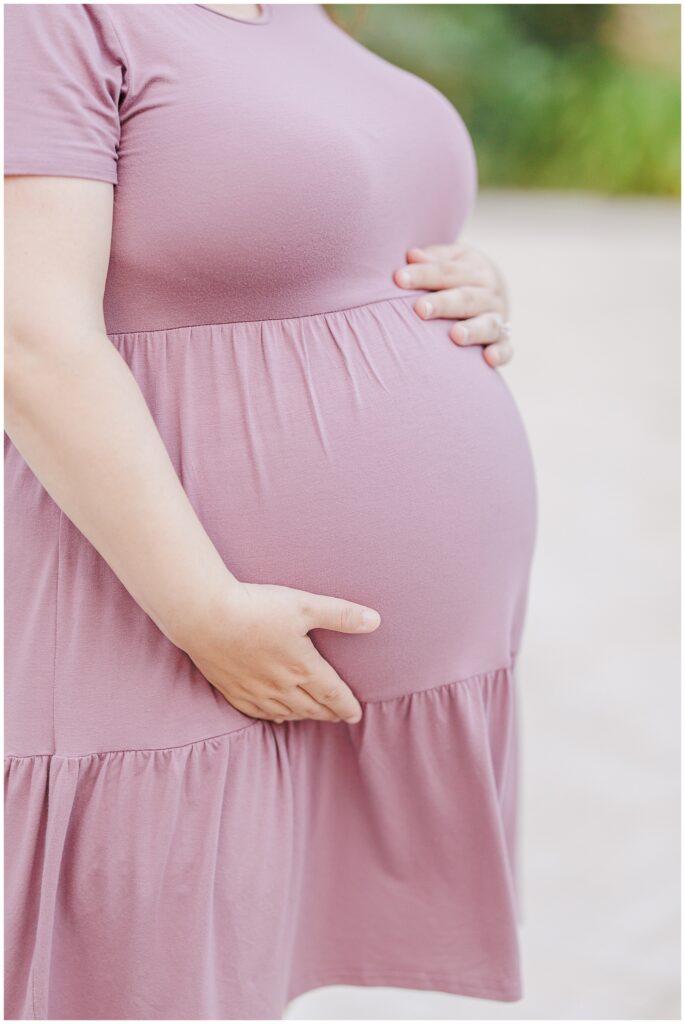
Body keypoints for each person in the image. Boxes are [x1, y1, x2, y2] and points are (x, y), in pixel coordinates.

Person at [4, 3, 538, 1019]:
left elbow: (325, 232)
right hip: (156, 616)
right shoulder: (52, 15)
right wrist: (201, 610)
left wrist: (465, 281)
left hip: (318, 671)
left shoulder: (286, 7)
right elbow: (31, 338)